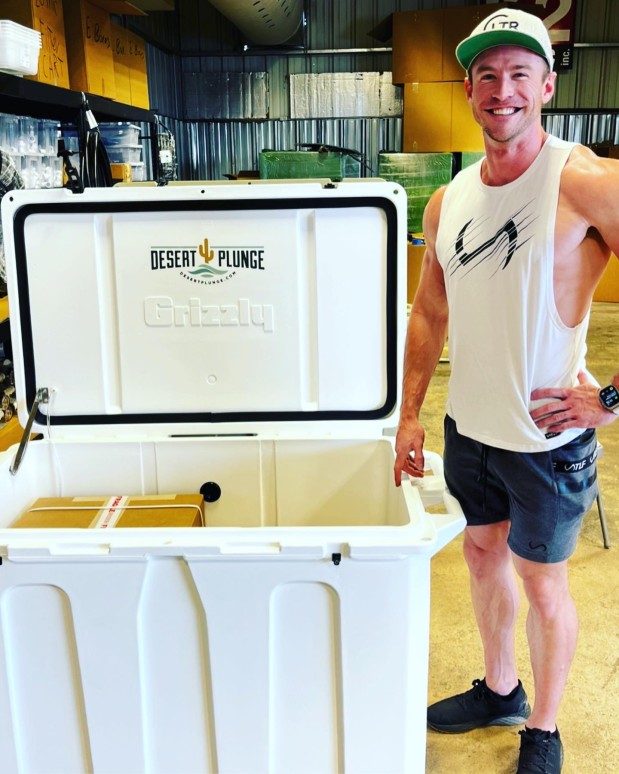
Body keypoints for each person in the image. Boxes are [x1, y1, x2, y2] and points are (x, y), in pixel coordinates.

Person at [393, 8, 619, 774]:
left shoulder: (584, 179)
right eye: (486, 75)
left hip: (547, 441)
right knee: (481, 554)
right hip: (470, 431)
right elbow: (429, 312)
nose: (502, 89)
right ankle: (498, 689)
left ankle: (543, 730)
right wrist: (408, 415)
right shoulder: (448, 198)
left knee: (541, 581)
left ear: (546, 85)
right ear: (468, 89)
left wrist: (609, 400)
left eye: (518, 73)